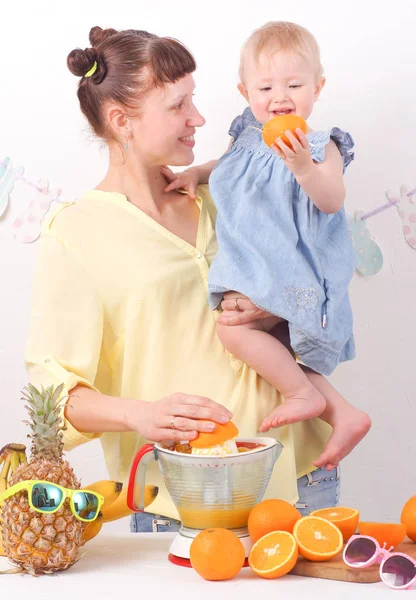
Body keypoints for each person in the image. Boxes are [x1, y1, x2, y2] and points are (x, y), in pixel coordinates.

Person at [25, 25, 347, 534]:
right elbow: (52, 394)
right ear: (120, 120)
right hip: (178, 500)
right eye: (178, 107)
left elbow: (316, 267)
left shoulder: (231, 195)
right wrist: (140, 415)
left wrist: (275, 307)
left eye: (193, 101)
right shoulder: (76, 233)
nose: (199, 118)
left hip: (300, 474)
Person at [163, 21, 371, 473]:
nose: (280, 96)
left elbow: (331, 198)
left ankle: (302, 396)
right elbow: (229, 163)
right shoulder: (249, 135)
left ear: (317, 87)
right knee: (276, 344)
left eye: (295, 84)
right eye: (266, 86)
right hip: (259, 270)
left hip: (293, 272)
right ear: (245, 92)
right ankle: (343, 413)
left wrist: (302, 167)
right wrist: (195, 174)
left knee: (233, 330)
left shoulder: (322, 145)